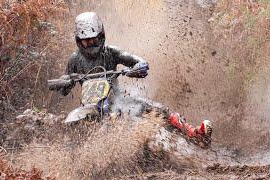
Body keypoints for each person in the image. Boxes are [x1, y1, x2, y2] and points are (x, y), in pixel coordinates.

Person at [58, 12, 212, 144]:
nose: (90, 44)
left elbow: (140, 62)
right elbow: (65, 90)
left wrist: (135, 69)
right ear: (79, 41)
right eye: (86, 41)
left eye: (93, 40)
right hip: (89, 105)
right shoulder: (74, 59)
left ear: (101, 36)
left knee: (157, 109)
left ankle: (194, 134)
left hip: (117, 100)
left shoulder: (111, 52)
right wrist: (64, 82)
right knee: (71, 121)